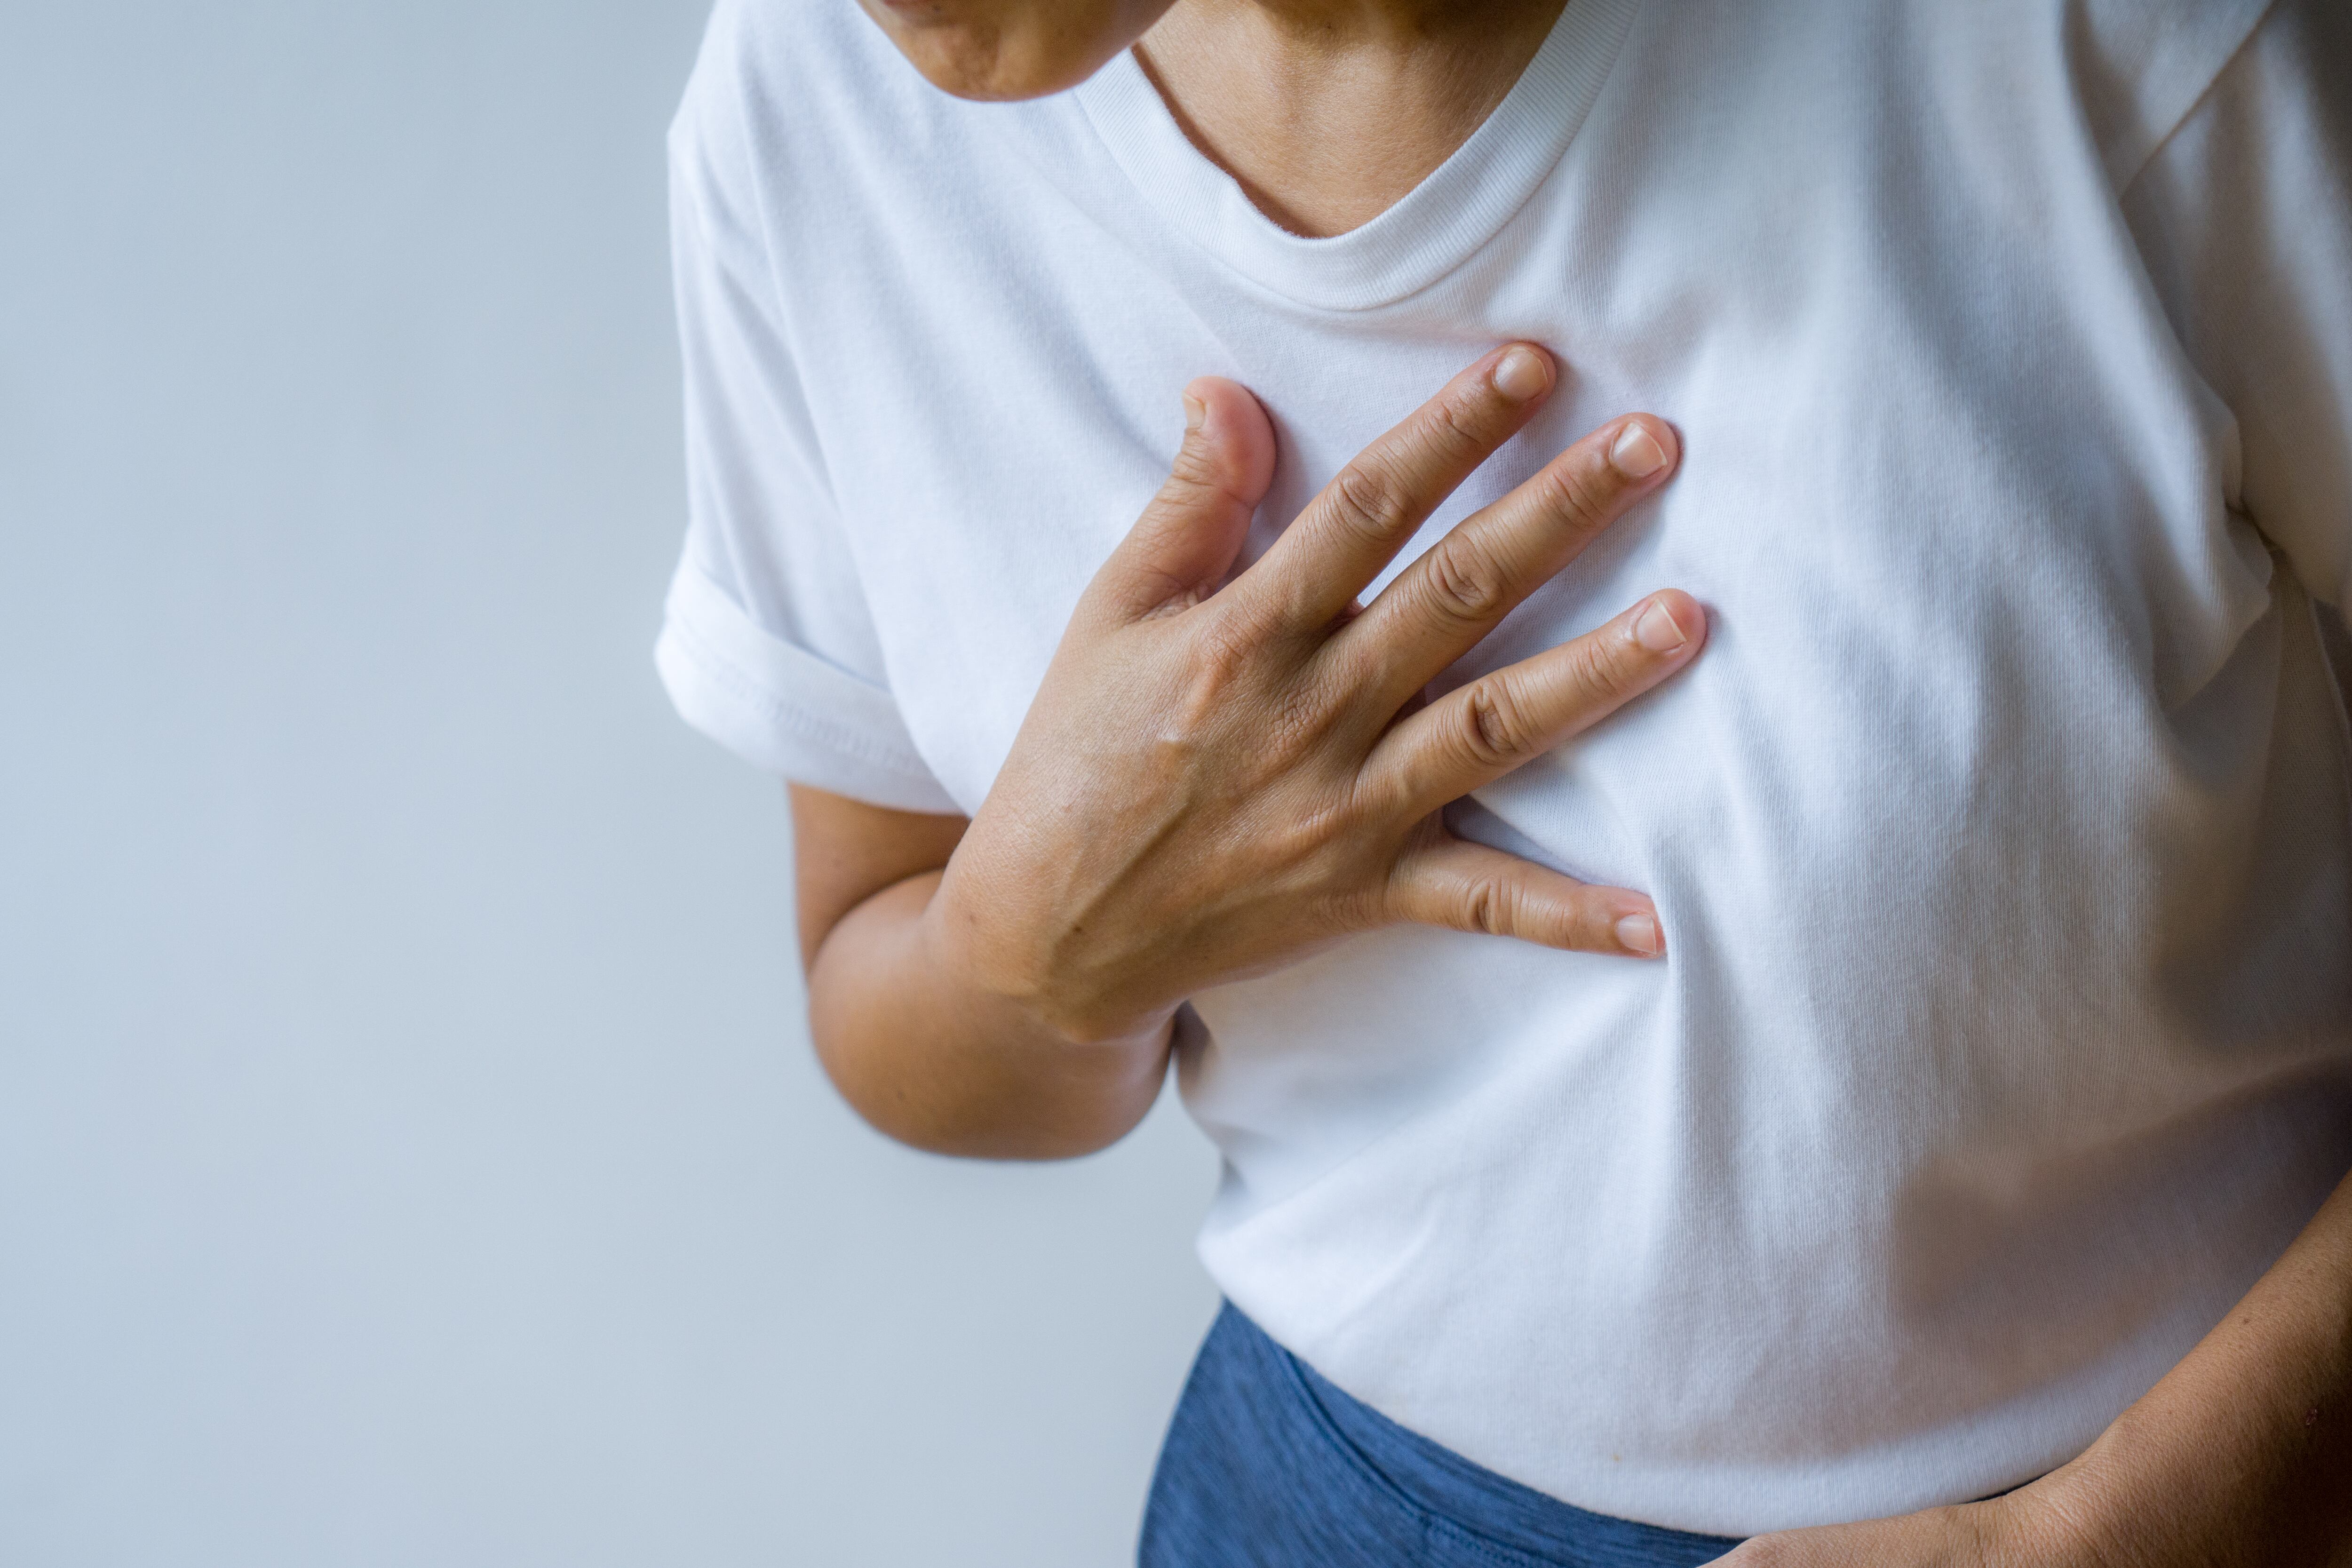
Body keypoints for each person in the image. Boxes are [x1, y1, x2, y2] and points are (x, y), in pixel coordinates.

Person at [652, 0, 2352, 1559]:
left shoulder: (2126, 49)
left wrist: (2142, 1528)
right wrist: (1039, 950)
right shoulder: (808, 106)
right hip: (1323, 1501)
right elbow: (881, 985)